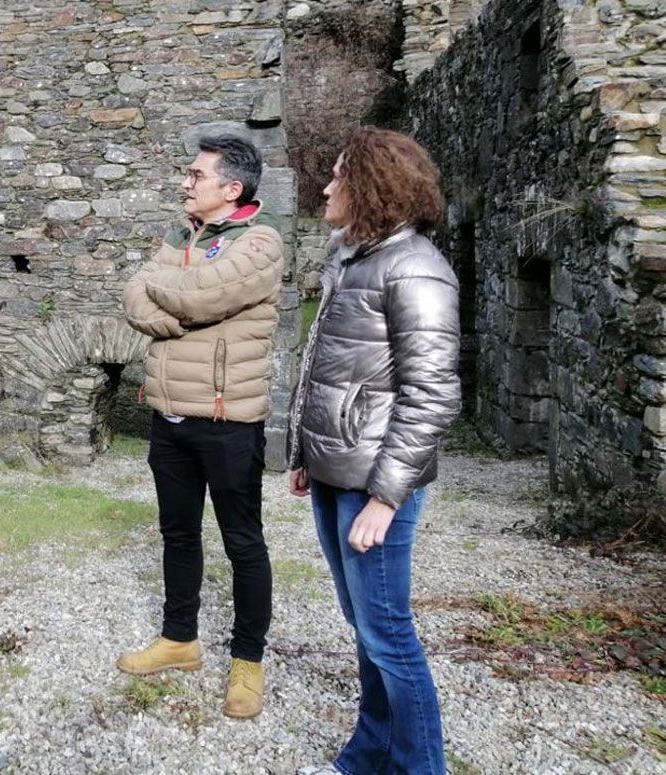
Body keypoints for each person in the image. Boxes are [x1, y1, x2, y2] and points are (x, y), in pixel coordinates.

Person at [287, 127, 459, 775]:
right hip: (336, 471)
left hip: (375, 484)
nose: (326, 186)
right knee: (366, 629)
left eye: (337, 176)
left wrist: (387, 497)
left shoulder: (416, 267)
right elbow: (327, 367)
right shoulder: (350, 256)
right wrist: (306, 451)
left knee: (389, 635)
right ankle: (367, 759)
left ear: (371, 186)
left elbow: (431, 395)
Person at [119, 123, 284, 719]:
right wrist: (159, 300)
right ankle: (179, 640)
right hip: (169, 415)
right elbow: (135, 292)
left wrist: (160, 288)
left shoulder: (260, 243)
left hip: (228, 419)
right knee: (178, 534)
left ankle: (247, 662)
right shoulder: (179, 235)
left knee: (243, 543)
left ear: (231, 187)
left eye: (196, 175)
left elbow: (201, 298)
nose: (185, 183)